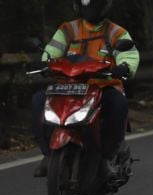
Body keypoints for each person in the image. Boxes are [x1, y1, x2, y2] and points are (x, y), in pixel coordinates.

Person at [31, 0, 139, 179]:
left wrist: (125, 67)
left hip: (102, 87)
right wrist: (45, 62)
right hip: (69, 87)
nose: (89, 8)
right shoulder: (68, 29)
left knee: (118, 103)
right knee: (38, 99)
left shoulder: (116, 32)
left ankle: (107, 157)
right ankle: (48, 154)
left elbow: (129, 55)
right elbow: (52, 51)